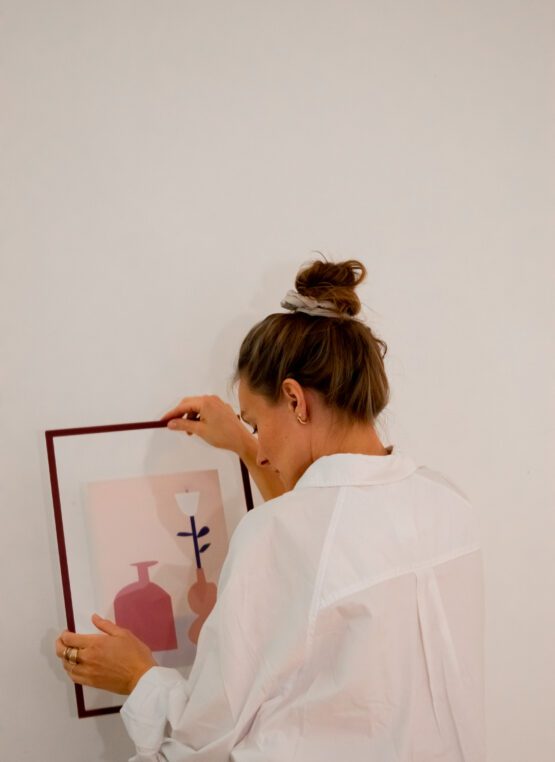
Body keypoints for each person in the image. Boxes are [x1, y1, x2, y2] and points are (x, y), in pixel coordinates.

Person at [56, 259, 486, 761]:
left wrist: (139, 677)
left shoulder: (277, 537)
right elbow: (328, 551)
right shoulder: (447, 504)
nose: (261, 451)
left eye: (257, 424)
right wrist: (244, 443)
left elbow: (206, 738)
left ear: (295, 400)